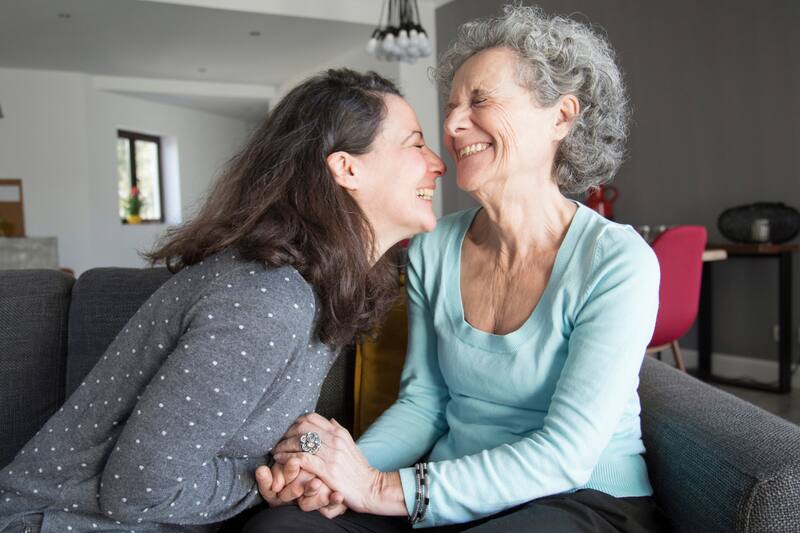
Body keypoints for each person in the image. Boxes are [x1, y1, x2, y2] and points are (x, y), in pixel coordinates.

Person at [247, 5, 667, 532]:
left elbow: (567, 453)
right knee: (280, 528)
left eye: (480, 100)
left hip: (579, 498)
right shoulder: (434, 246)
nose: (450, 125)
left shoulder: (617, 261)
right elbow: (425, 403)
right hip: (448, 489)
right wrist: (338, 473)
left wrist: (379, 487)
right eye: (449, 107)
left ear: (560, 116)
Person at [0, 68, 445, 533]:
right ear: (347, 168)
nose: (438, 163)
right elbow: (135, 494)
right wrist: (263, 482)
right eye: (415, 143)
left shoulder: (317, 288)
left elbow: (266, 438)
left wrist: (309, 459)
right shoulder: (266, 300)